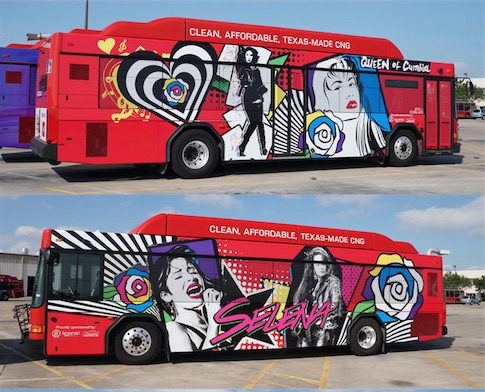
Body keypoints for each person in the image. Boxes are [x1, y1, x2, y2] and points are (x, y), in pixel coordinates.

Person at [307, 55, 390, 158]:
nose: (350, 93)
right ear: (322, 96)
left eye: (351, 84)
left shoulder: (371, 129)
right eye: (337, 87)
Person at [150, 244, 222, 352]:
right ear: (166, 295)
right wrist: (214, 323)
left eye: (192, 270)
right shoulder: (174, 328)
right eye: (179, 276)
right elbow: (201, 362)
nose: (191, 277)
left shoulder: (209, 321)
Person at [292, 247, 345, 347]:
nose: (321, 267)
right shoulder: (311, 283)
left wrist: (315, 318)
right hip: (310, 327)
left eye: (323, 263)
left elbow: (335, 307)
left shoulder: (333, 281)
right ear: (312, 267)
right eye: (317, 264)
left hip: (324, 327)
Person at [236, 46, 268, 156]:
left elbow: (260, 85)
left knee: (259, 124)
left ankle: (262, 148)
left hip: (258, 99)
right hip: (249, 98)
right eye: (247, 55)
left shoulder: (257, 70)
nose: (249, 57)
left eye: (251, 55)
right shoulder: (243, 69)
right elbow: (245, 83)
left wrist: (261, 92)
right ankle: (243, 146)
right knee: (255, 123)